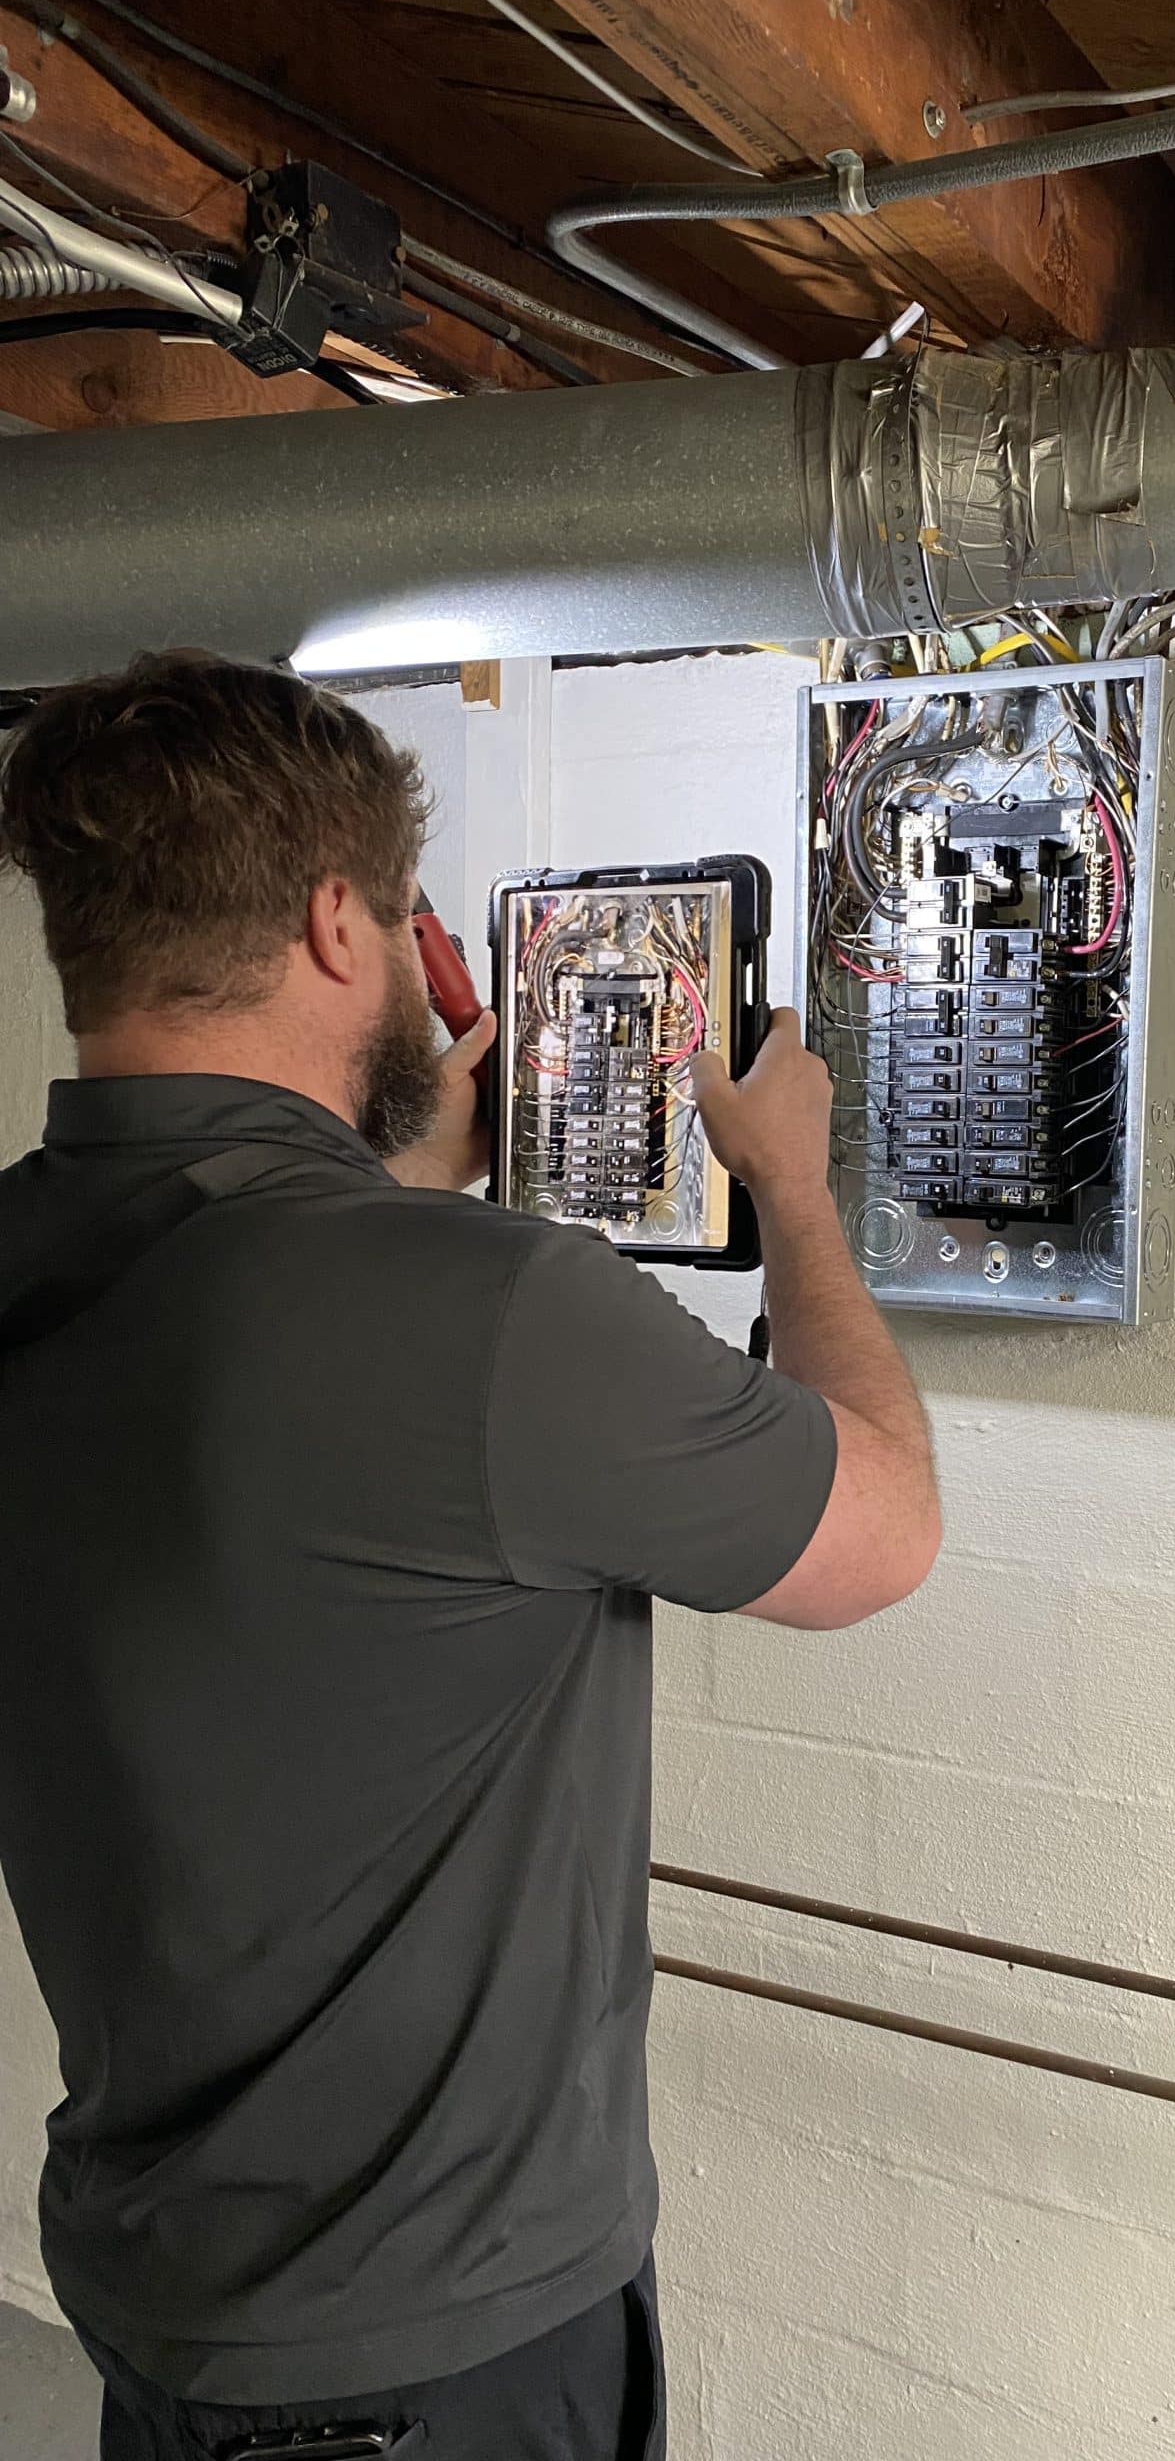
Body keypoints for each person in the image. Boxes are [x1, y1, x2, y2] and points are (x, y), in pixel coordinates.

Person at [0, 652, 941, 2461]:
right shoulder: (494, 1318)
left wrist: (400, 1198)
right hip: (437, 2367)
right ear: (336, 924)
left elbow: (255, 1405)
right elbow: (881, 1528)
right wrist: (797, 1194)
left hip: (163, 2309)